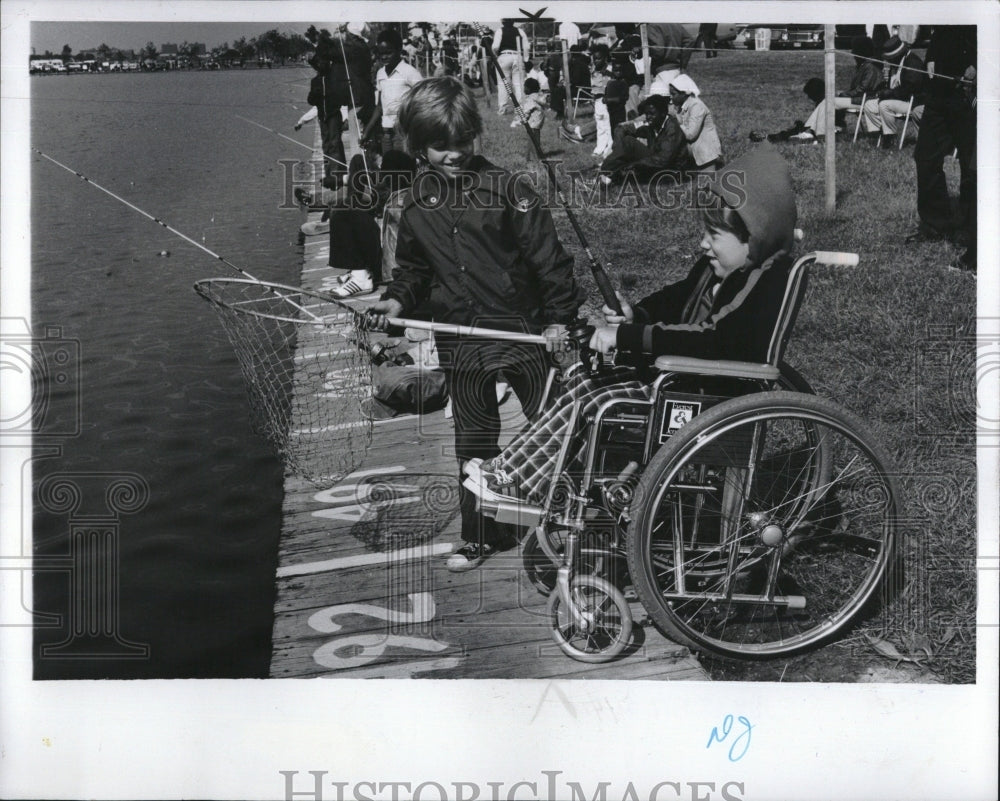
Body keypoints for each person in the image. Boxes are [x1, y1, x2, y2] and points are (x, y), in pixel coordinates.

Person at [466, 147, 798, 506]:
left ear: (755, 237)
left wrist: (625, 336)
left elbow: (715, 341)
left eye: (714, 235)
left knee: (600, 399)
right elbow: (676, 299)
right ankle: (512, 470)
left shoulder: (764, 283)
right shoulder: (719, 269)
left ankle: (523, 484)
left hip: (708, 393)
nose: (704, 243)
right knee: (580, 377)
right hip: (682, 381)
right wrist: (635, 315)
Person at [364, 77, 583, 572]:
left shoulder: (510, 189)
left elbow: (550, 262)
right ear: (418, 147)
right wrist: (397, 301)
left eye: (463, 142)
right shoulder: (414, 203)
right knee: (474, 438)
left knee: (557, 426)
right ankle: (482, 533)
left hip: (520, 330)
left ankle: (579, 516)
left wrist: (559, 320)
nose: (454, 154)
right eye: (440, 147)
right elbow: (414, 272)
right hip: (460, 337)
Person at [907, 25, 976, 272]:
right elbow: (939, 28)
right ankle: (935, 224)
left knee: (972, 166)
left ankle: (970, 229)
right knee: (925, 157)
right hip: (939, 93)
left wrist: (977, 63)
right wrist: (932, 56)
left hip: (969, 93)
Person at [327, 150, 417, 297]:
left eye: (384, 171)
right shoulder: (401, 192)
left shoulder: (401, 202)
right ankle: (359, 270)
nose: (381, 174)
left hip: (394, 269)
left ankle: (361, 278)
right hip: (391, 262)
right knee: (350, 201)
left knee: (345, 211)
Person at [792, 36, 883, 142]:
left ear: (861, 51)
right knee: (827, 100)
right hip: (858, 98)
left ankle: (819, 133)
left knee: (829, 102)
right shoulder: (864, 65)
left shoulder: (871, 67)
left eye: (855, 51)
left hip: (865, 100)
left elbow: (862, 89)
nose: (853, 54)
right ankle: (811, 130)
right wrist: (844, 93)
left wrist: (845, 94)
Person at [598, 94, 691, 185]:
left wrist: (635, 164)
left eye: (652, 114)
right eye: (646, 114)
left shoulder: (672, 129)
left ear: (663, 113)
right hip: (657, 163)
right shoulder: (653, 123)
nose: (648, 117)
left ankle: (604, 173)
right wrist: (617, 148)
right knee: (627, 141)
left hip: (671, 173)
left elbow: (663, 159)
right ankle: (606, 173)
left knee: (629, 143)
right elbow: (621, 128)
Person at [361, 28, 423, 155]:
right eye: (380, 53)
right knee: (388, 169)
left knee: (404, 169)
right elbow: (379, 106)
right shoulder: (380, 73)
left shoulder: (409, 72)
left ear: (399, 50)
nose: (384, 57)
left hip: (404, 133)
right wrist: (367, 131)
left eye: (388, 52)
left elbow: (424, 98)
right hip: (386, 133)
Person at [862, 36, 926, 148]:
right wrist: (885, 91)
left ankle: (890, 138)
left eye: (891, 58)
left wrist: (890, 93)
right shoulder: (897, 63)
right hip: (899, 99)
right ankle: (877, 136)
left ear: (899, 54)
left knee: (884, 105)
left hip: (913, 102)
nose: (889, 61)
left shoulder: (913, 63)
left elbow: (910, 88)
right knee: (869, 105)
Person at [668, 74, 723, 170]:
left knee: (707, 182)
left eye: (673, 94)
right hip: (695, 150)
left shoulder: (696, 106)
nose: (671, 98)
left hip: (706, 153)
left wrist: (676, 119)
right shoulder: (682, 105)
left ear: (684, 93)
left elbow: (690, 135)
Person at [645, 23, 695, 96]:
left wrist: (645, 52)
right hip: (676, 69)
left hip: (662, 71)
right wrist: (683, 64)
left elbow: (658, 50)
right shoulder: (675, 24)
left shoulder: (652, 26)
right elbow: (690, 41)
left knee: (661, 101)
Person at [492, 19, 529, 115]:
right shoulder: (520, 31)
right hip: (518, 56)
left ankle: (503, 108)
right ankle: (520, 108)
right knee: (519, 84)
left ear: (502, 22)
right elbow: (526, 47)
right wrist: (525, 59)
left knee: (503, 84)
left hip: (504, 56)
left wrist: (496, 56)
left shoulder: (500, 31)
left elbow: (495, 47)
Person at [512, 77, 547, 160]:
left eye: (525, 87)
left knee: (532, 141)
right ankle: (529, 156)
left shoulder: (531, 99)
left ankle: (535, 157)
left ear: (529, 88)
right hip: (538, 122)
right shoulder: (538, 97)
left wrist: (519, 121)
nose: (523, 88)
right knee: (534, 140)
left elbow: (527, 112)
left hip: (532, 123)